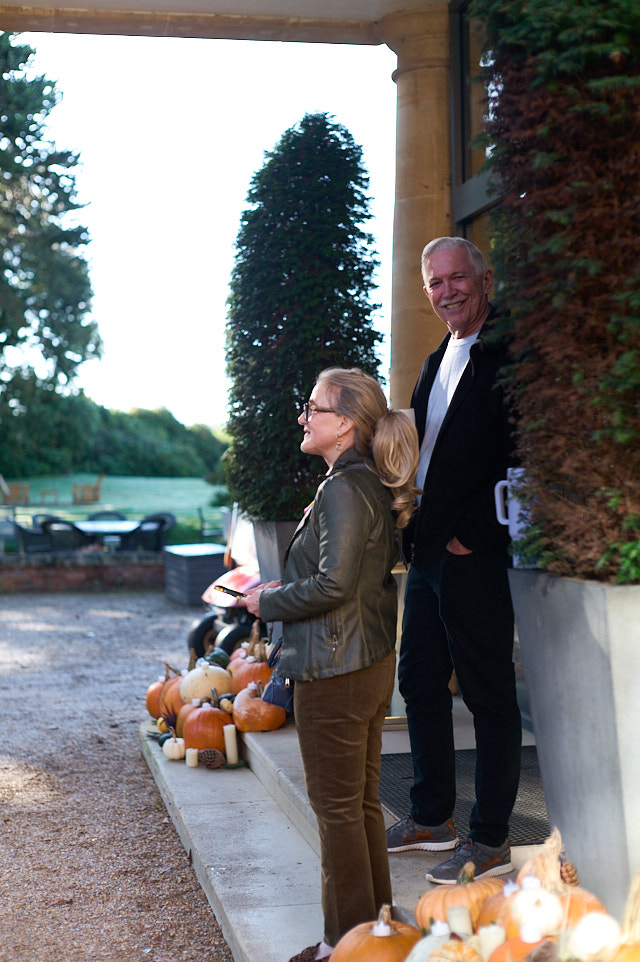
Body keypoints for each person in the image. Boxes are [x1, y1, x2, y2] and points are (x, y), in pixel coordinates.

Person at [244, 367, 419, 962]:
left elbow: (334, 583)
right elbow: (335, 577)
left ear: (344, 424)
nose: (303, 416)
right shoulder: (362, 480)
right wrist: (279, 587)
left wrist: (266, 601)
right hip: (361, 663)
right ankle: (375, 934)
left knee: (340, 811)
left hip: (335, 669)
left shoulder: (344, 487)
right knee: (361, 805)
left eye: (313, 407)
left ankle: (342, 947)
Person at [385, 237, 522, 884]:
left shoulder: (509, 353)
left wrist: (479, 534)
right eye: (435, 282)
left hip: (473, 551)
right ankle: (430, 815)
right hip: (429, 547)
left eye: (458, 278)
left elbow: (522, 453)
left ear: (484, 278)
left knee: (489, 693)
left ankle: (490, 836)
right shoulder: (435, 359)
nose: (448, 291)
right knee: (418, 682)